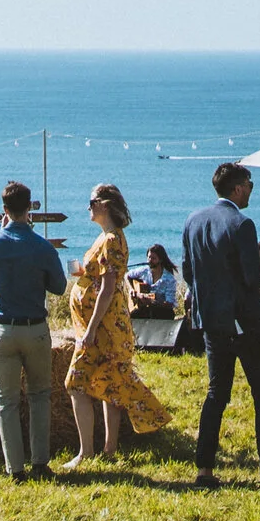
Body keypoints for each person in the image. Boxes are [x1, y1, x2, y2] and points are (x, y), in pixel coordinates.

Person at [182, 161, 260, 489]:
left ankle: (205, 469)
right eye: (250, 184)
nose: (252, 189)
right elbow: (252, 276)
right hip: (245, 321)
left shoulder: (193, 221)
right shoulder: (242, 223)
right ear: (237, 188)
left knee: (216, 394)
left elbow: (188, 271)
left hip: (212, 320)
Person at [63, 183, 168, 469]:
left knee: (75, 384)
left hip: (105, 328)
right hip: (106, 326)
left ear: (105, 205)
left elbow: (108, 288)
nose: (88, 207)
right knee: (112, 382)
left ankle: (87, 452)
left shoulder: (111, 239)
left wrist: (91, 328)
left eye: (91, 202)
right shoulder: (108, 238)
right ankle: (108, 449)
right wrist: (84, 274)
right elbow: (103, 279)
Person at [0, 180, 69, 481]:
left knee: (6, 401)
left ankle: (14, 467)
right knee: (40, 395)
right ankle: (40, 462)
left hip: (2, 328)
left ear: (4, 210)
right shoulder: (41, 247)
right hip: (34, 326)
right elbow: (58, 287)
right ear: (29, 208)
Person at [131, 244, 180, 315]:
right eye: (149, 257)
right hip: (145, 309)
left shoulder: (169, 279)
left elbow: (169, 304)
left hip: (161, 311)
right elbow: (128, 276)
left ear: (160, 260)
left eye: (153, 258)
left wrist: (151, 302)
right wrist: (132, 290)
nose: (150, 261)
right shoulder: (144, 271)